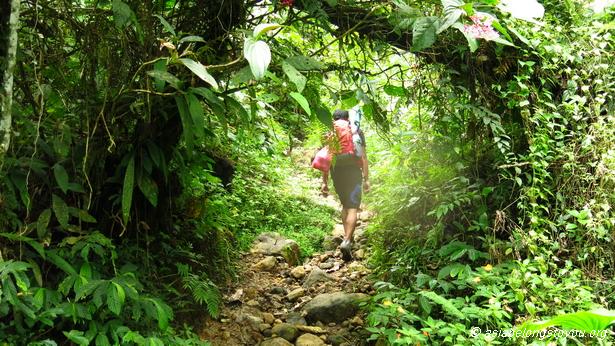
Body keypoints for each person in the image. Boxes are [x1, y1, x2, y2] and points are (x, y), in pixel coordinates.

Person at [321, 109, 370, 261]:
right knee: (353, 207)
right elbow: (363, 157)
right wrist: (366, 179)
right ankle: (348, 240)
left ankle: (347, 237)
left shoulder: (330, 132)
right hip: (354, 171)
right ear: (348, 118)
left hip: (337, 171)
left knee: (345, 205)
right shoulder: (356, 131)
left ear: (333, 119)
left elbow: (326, 158)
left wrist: (324, 182)